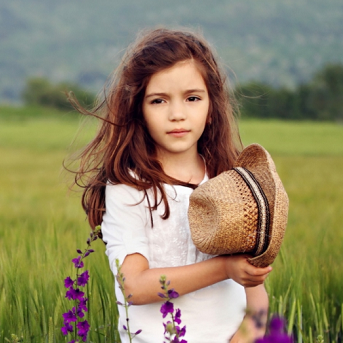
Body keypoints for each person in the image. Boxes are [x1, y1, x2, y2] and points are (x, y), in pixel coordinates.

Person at [71, 28, 271, 343]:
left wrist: (245, 337)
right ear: (139, 110)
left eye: (192, 98)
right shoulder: (129, 189)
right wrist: (224, 269)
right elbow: (133, 286)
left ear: (211, 108)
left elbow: (256, 293)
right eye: (159, 100)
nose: (177, 114)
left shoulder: (232, 185)